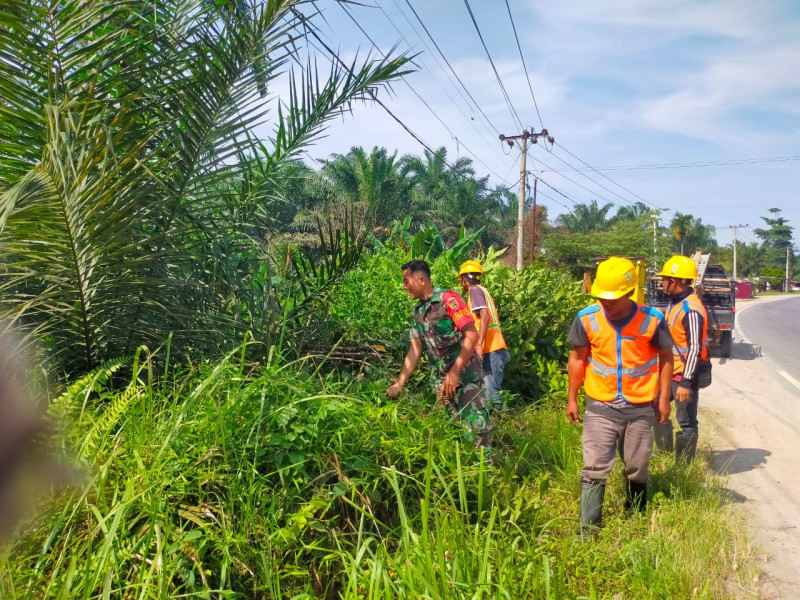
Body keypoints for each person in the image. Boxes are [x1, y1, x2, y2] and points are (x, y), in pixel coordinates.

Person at [566, 257, 674, 534]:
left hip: (639, 408)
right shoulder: (587, 318)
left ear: (628, 293)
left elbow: (665, 358)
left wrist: (663, 399)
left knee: (637, 467)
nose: (606, 303)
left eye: (612, 298)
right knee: (593, 468)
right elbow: (577, 359)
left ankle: (635, 517)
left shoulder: (652, 320)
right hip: (600, 405)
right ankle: (587, 530)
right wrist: (571, 397)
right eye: (601, 297)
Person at [387, 260, 491, 456]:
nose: (404, 287)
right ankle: (462, 481)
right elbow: (414, 350)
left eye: (406, 281)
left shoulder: (448, 299)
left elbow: (472, 335)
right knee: (451, 438)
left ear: (421, 279)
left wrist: (455, 370)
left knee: (476, 432)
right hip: (442, 385)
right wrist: (399, 384)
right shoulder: (418, 312)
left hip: (466, 378)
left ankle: (484, 479)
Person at [653, 255, 709, 461]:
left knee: (686, 421)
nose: (662, 282)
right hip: (669, 372)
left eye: (664, 278)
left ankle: (683, 467)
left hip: (683, 375)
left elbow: (694, 349)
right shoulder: (675, 303)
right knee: (657, 409)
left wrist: (685, 382)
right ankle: (664, 454)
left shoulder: (691, 309)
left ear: (674, 281)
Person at [458, 260, 510, 411]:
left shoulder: (474, 291)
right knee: (491, 392)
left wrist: (479, 343)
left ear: (464, 279)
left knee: (492, 395)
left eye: (461, 280)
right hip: (495, 347)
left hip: (491, 349)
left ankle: (502, 430)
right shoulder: (482, 290)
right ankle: (499, 427)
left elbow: (485, 316)